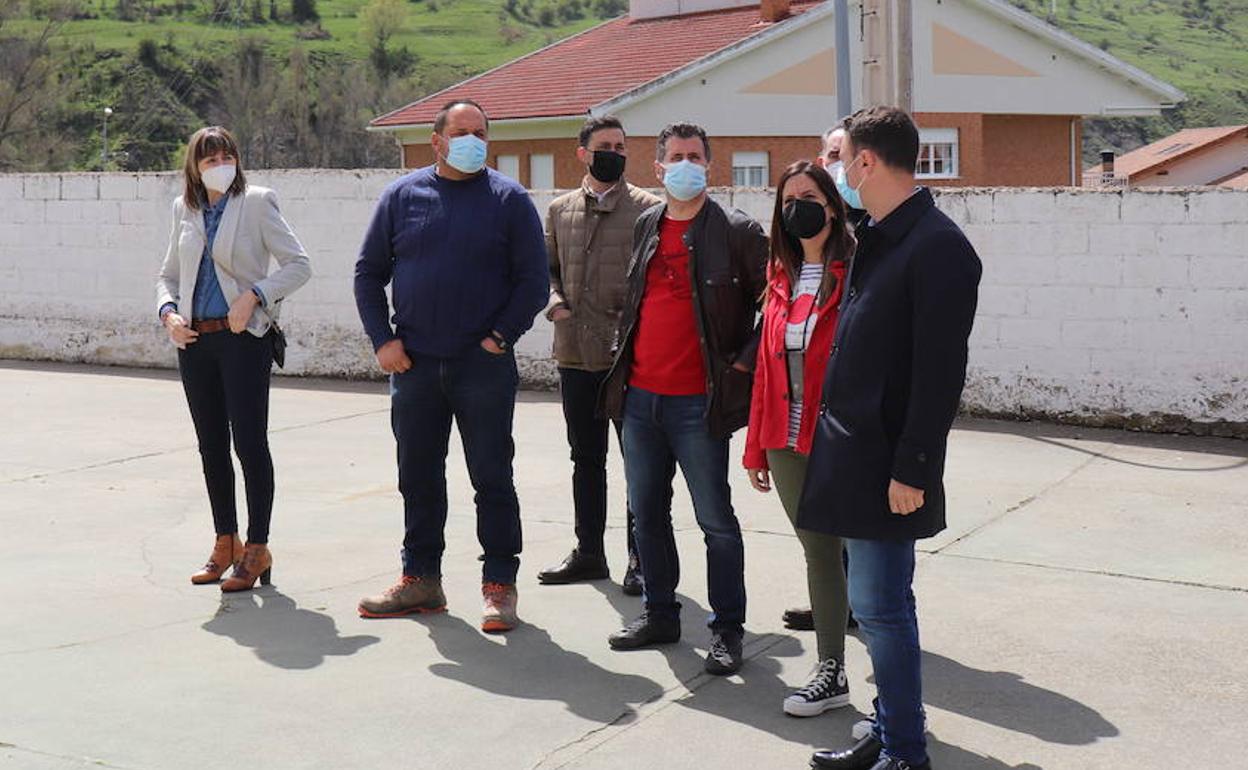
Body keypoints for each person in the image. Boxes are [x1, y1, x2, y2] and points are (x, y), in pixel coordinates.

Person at [801, 107, 982, 770]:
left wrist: (914, 468)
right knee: (876, 606)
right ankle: (889, 727)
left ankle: (905, 752)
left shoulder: (937, 247)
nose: (835, 170)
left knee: (880, 611)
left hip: (887, 465)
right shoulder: (878, 234)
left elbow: (939, 375)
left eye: (840, 157)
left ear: (868, 163)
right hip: (854, 457)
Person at [353, 99, 548, 633]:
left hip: (481, 366)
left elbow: (533, 280)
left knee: (492, 476)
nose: (473, 140)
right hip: (414, 365)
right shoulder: (402, 196)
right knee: (417, 475)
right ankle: (420, 578)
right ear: (437, 140)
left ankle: (499, 585)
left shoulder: (509, 201)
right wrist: (382, 341)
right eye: (462, 132)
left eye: (481, 132)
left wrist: (499, 337)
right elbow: (368, 274)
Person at [599, 121, 768, 675]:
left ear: (709, 165)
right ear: (659, 167)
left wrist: (743, 359)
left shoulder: (737, 231)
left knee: (715, 520)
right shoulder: (648, 224)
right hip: (641, 400)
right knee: (646, 514)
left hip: (700, 404)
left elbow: (779, 302)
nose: (686, 165)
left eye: (696, 156)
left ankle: (727, 630)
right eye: (676, 156)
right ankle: (660, 613)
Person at [155, 125, 312, 592]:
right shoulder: (183, 208)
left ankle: (258, 548)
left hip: (243, 339)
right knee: (210, 446)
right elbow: (167, 275)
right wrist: (168, 313)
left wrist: (256, 296)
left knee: (249, 443)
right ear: (194, 167)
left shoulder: (258, 201)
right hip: (195, 342)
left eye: (226, 155)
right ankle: (226, 541)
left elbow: (299, 265)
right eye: (209, 158)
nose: (220, 163)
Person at [742, 160, 855, 716]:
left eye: (808, 197)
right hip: (784, 441)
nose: (797, 209)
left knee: (860, 555)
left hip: (839, 438)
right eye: (787, 202)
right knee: (819, 551)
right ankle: (831, 670)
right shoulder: (778, 278)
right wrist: (755, 448)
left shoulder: (858, 272)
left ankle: (884, 681)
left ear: (832, 205)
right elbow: (766, 371)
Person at [537, 116, 661, 594]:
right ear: (582, 152)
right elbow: (545, 270)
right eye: (604, 145)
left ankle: (641, 558)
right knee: (585, 459)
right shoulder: (559, 210)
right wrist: (555, 304)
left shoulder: (650, 209)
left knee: (640, 463)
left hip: (630, 359)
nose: (614, 152)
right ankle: (589, 552)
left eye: (621, 146)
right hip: (574, 355)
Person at [784, 124, 864, 634]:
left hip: (846, 423)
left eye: (844, 156)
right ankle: (836, 603)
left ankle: (859, 605)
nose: (838, 163)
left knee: (858, 532)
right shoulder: (787, 263)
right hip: (796, 425)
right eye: (831, 154)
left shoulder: (866, 247)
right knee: (820, 538)